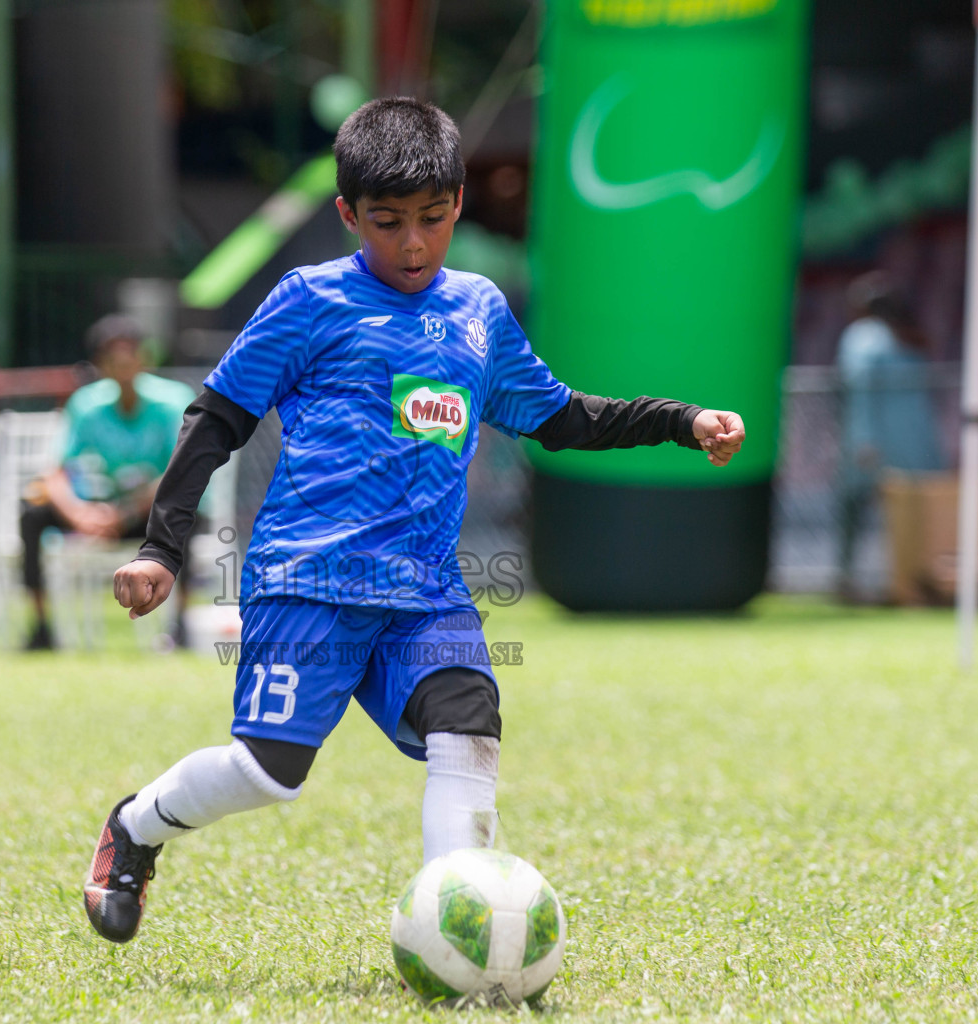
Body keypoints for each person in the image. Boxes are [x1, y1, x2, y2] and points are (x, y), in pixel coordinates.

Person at [80, 98, 746, 944]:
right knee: (270, 772)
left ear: (459, 203)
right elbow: (215, 420)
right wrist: (161, 550)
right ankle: (135, 827)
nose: (413, 244)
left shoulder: (478, 311)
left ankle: (458, 932)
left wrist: (679, 421)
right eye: (388, 223)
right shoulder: (309, 301)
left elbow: (561, 418)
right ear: (348, 215)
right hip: (307, 578)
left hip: (425, 590)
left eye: (432, 220)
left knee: (468, 724)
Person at [19, 315, 193, 650]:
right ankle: (41, 627)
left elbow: (179, 473)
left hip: (150, 513)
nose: (123, 366)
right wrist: (79, 514)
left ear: (145, 359)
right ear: (100, 364)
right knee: (32, 512)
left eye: (130, 356)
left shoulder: (173, 401)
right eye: (114, 358)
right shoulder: (86, 404)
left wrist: (123, 512)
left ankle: (179, 628)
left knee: (188, 515)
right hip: (104, 513)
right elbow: (54, 472)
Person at [834, 272, 941, 601]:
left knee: (855, 509)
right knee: (908, 516)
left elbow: (860, 389)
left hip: (873, 443)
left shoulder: (863, 337)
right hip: (917, 443)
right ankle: (911, 580)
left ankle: (850, 580)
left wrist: (864, 440)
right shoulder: (909, 338)